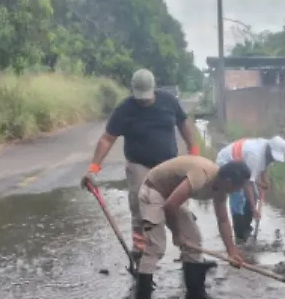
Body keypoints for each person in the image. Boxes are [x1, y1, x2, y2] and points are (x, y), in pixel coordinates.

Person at [81, 69, 199, 262]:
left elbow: (184, 124)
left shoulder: (168, 101)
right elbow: (107, 139)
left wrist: (193, 151)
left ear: (154, 88)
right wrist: (93, 168)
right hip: (139, 165)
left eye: (147, 97)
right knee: (139, 207)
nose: (143, 101)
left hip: (168, 164)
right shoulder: (125, 109)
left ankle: (188, 249)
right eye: (140, 98)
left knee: (179, 207)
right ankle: (140, 250)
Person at [133, 155, 250, 299]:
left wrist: (231, 251)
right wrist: (176, 234)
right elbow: (170, 206)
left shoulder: (222, 188)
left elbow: (223, 220)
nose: (238, 191)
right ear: (229, 180)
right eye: (238, 187)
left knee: (193, 239)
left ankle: (195, 293)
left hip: (171, 196)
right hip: (154, 191)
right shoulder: (202, 175)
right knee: (155, 247)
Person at [214, 135, 285, 242]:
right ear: (269, 149)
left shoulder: (266, 146)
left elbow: (264, 164)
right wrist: (254, 209)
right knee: (239, 197)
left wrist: (263, 180)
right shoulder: (255, 155)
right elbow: (247, 183)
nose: (273, 159)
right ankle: (240, 235)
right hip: (226, 164)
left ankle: (247, 228)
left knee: (254, 195)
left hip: (242, 166)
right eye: (272, 156)